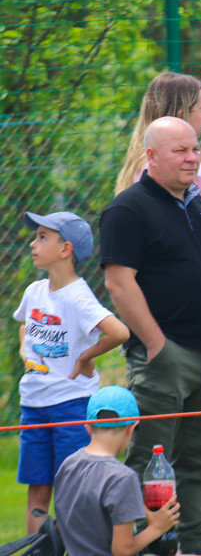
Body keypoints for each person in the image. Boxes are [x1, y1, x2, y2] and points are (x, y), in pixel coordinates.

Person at [101, 116, 201, 555]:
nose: (193, 158)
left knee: (200, 463)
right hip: (165, 359)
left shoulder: (196, 205)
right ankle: (138, 547)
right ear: (151, 156)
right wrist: (157, 345)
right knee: (147, 462)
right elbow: (120, 283)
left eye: (195, 149)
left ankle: (195, 546)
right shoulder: (128, 208)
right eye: (181, 151)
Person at [14, 211, 129, 534]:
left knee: (73, 488)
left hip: (71, 406)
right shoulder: (34, 291)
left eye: (42, 237)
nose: (33, 244)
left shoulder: (79, 297)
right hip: (33, 405)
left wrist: (85, 357)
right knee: (38, 488)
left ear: (66, 250)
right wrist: (26, 348)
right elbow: (26, 325)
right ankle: (39, 549)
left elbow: (119, 332)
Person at [54, 386, 180, 556]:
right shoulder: (122, 478)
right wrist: (157, 528)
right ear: (131, 428)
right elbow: (122, 550)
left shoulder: (67, 465)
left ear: (87, 427)